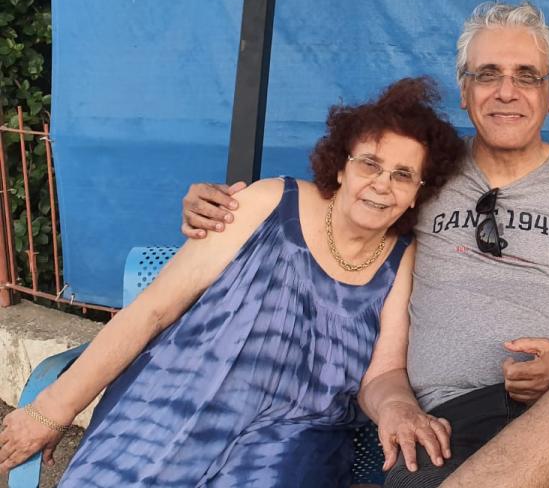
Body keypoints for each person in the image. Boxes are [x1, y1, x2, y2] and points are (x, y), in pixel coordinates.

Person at [180, 1, 549, 488]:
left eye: (527, 76)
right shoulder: (420, 176)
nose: (507, 92)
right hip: (448, 428)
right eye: (487, 74)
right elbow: (333, 207)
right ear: (464, 91)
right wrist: (228, 208)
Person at [0, 77, 465, 486]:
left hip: (292, 434)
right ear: (342, 167)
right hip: (178, 398)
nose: (382, 184)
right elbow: (153, 310)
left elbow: (383, 372)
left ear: (417, 193)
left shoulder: (402, 259)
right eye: (370, 164)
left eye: (403, 175)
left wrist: (398, 408)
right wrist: (52, 409)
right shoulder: (268, 202)